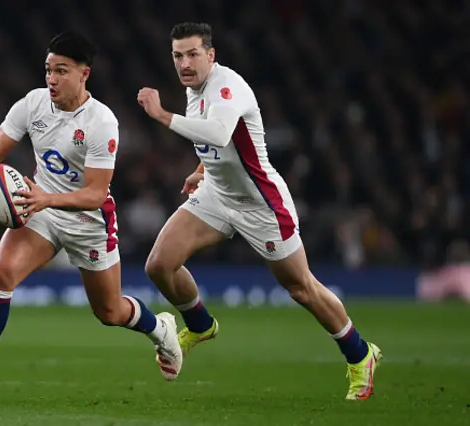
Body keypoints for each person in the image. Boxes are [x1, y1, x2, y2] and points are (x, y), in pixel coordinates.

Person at [137, 22, 382, 400]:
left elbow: (218, 132)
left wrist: (162, 115)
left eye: (192, 54)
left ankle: (361, 353)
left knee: (301, 288)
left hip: (261, 204)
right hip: (217, 194)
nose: (184, 63)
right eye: (177, 56)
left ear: (211, 54)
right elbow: (222, 141)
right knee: (159, 264)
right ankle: (200, 326)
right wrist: (202, 170)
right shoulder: (195, 88)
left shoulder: (227, 86)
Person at [0, 31, 182, 400]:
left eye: (61, 70)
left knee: (109, 311)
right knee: (1, 273)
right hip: (39, 207)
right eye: (48, 70)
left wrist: (47, 199)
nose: (52, 79)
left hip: (89, 221)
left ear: (83, 74)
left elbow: (95, 193)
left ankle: (161, 330)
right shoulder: (32, 104)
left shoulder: (101, 122)